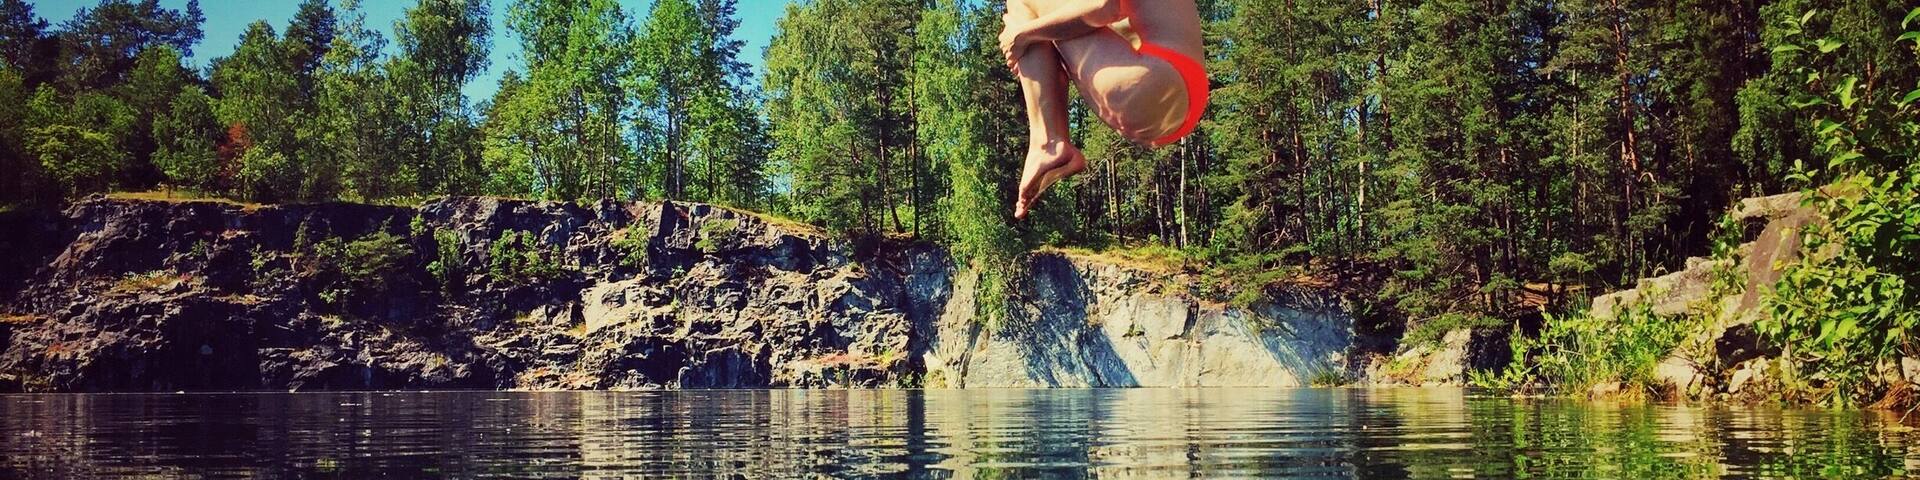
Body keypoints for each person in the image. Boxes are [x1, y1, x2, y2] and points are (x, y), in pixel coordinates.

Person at [998, 0, 1208, 219]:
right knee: (1036, 22)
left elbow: (1102, 8)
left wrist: (1022, 36)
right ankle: (1049, 141)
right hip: (1183, 88)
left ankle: (1048, 142)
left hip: (1154, 78)